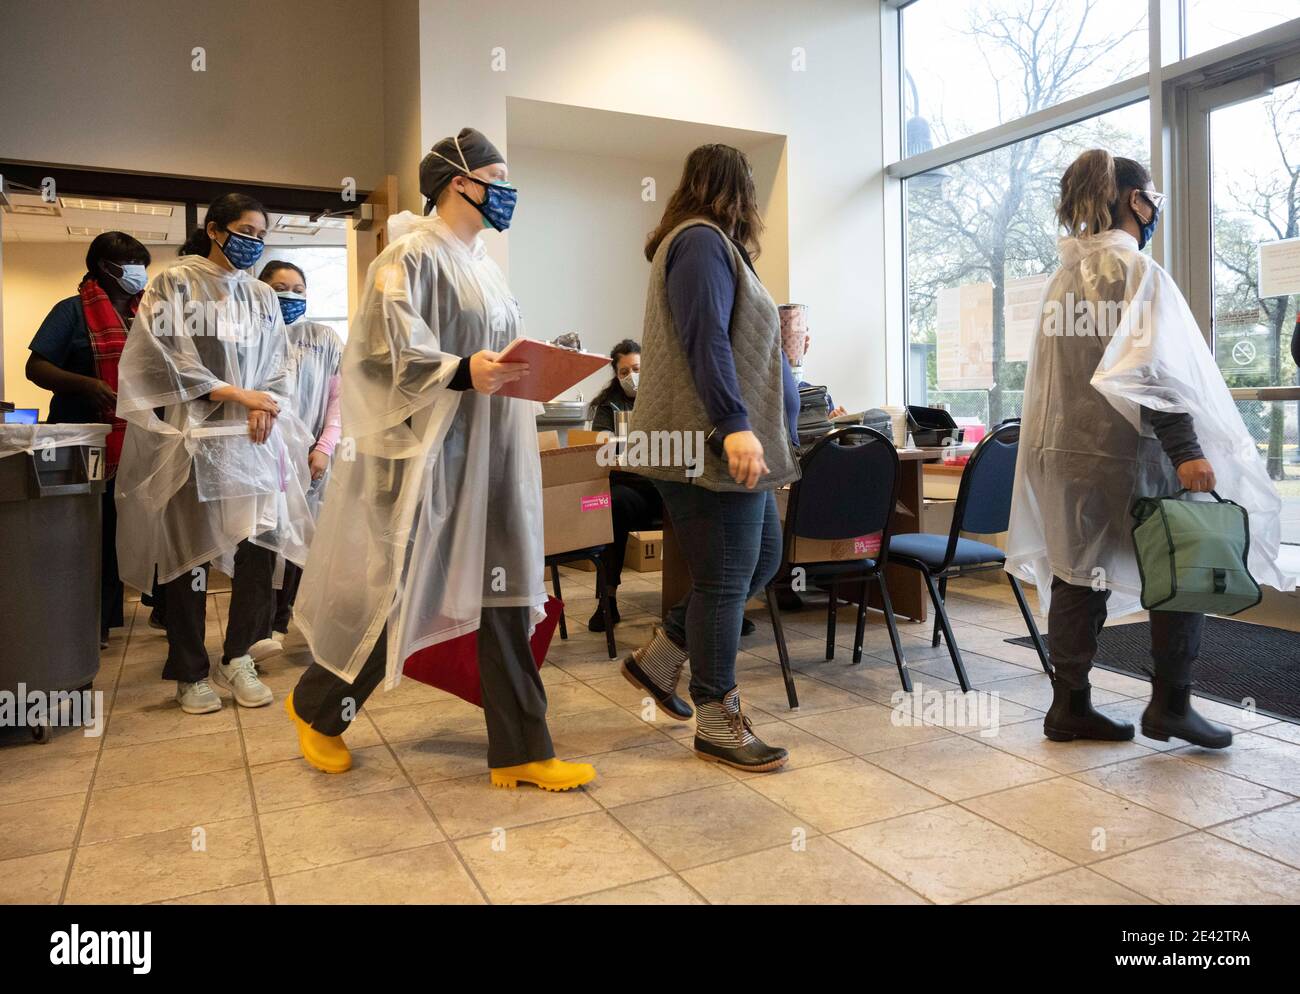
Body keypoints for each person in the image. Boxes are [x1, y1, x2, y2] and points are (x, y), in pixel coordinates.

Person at [286, 127, 596, 792]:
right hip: (432, 459)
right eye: (500, 177)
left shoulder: (484, 265)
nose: (508, 192)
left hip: (495, 453)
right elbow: (378, 356)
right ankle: (318, 707)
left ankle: (521, 749)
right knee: (403, 595)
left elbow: (496, 356)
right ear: (462, 181)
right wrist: (462, 370)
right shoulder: (408, 258)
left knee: (507, 593)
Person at [1008, 149, 1294, 749]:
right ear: (1134, 201)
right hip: (1131, 456)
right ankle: (1171, 704)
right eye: (1153, 197)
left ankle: (1071, 707)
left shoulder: (1062, 279)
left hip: (1067, 457)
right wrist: (1187, 451)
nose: (1155, 208)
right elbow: (1155, 373)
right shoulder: (1137, 274)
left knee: (1076, 577)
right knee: (1181, 566)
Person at [622, 143, 800, 772]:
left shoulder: (714, 247)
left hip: (719, 444)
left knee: (764, 559)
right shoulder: (699, 243)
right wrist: (734, 425)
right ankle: (717, 719)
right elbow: (705, 341)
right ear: (737, 191)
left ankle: (663, 655)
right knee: (726, 578)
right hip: (704, 446)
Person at [114, 192, 317, 715]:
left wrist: (265, 402)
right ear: (214, 228)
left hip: (252, 440)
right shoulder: (175, 283)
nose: (253, 242)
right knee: (188, 557)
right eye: (245, 231)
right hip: (196, 439)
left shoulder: (261, 297)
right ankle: (189, 672)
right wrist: (237, 394)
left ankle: (239, 657)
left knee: (257, 550)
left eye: (260, 234)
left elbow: (279, 363)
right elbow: (165, 361)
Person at [25, 231, 151, 648]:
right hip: (86, 441)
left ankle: (112, 616)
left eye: (140, 261)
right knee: (87, 534)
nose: (138, 271)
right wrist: (85, 384)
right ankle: (87, 623)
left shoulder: (146, 313)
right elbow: (37, 367)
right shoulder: (72, 312)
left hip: (137, 440)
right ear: (104, 266)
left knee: (121, 531)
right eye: (131, 261)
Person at [250, 260, 343, 654]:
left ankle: (284, 622)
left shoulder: (324, 338)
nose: (291, 295)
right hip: (260, 453)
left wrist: (324, 447)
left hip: (309, 458)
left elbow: (341, 400)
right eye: (280, 287)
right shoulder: (248, 337)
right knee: (260, 542)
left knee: (301, 540)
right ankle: (256, 628)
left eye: (298, 289)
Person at [585, 339, 663, 631]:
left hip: (665, 484)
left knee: (702, 505)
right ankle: (608, 599)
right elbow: (602, 444)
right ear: (616, 374)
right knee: (611, 506)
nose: (632, 376)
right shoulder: (609, 406)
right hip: (630, 486)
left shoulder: (666, 396)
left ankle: (714, 603)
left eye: (637, 368)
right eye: (624, 371)